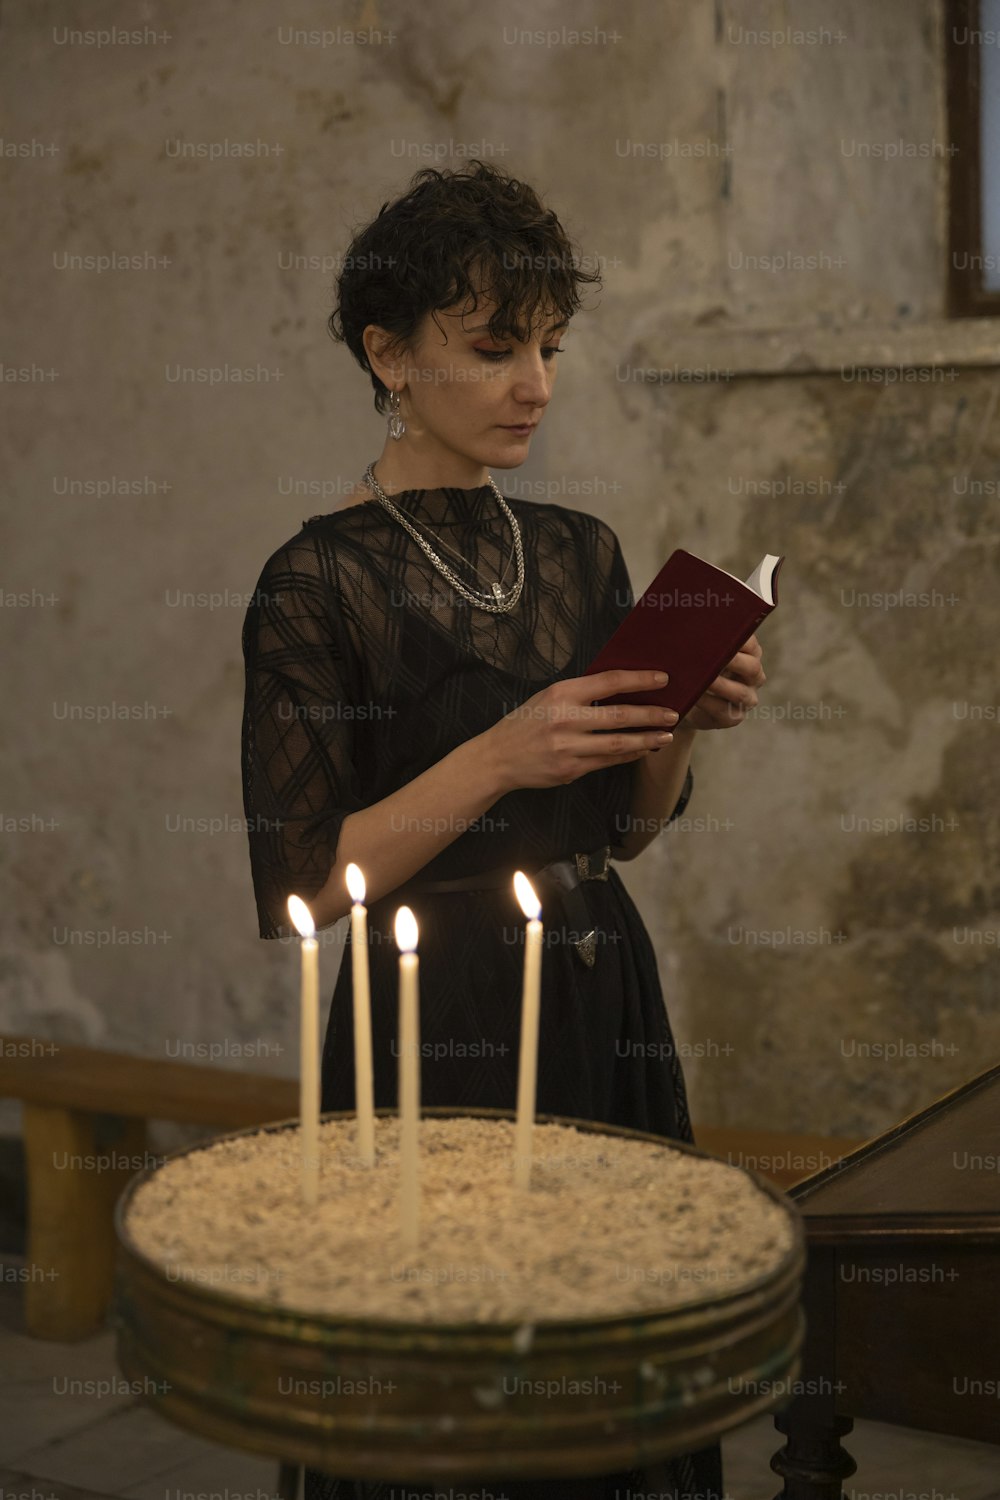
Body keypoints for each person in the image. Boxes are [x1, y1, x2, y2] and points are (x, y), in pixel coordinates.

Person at [241, 161, 765, 1500]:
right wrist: (498, 754)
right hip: (434, 1014)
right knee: (456, 1409)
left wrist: (685, 720)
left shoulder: (584, 550)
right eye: (493, 347)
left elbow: (628, 833)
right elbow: (311, 876)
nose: (536, 381)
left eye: (549, 346)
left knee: (614, 1384)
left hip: (602, 989)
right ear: (390, 355)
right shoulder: (316, 578)